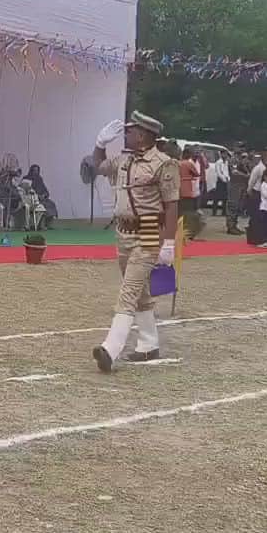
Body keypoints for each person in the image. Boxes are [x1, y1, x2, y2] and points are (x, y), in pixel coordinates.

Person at [90, 112, 180, 373]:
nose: (126, 134)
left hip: (150, 229)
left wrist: (169, 243)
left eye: (130, 130)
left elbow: (172, 206)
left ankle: (111, 348)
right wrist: (99, 144)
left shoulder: (164, 164)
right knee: (140, 291)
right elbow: (97, 167)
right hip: (123, 231)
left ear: (143, 135)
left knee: (129, 290)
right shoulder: (124, 159)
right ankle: (148, 345)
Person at [178, 147, 201, 239]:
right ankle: (188, 233)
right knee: (189, 213)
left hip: (179, 190)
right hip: (188, 190)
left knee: (180, 212)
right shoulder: (188, 164)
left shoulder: (178, 163)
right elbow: (196, 173)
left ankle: (179, 231)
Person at [226, 152, 249, 235]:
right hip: (234, 186)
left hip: (241, 186)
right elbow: (234, 172)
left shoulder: (242, 161)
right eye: (239, 147)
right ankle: (231, 227)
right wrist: (245, 175)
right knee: (232, 205)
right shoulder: (233, 160)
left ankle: (234, 225)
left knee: (238, 207)